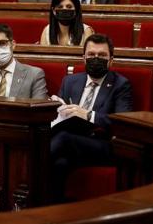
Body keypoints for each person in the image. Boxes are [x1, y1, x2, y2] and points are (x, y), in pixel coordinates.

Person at [49, 33, 133, 203]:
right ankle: (55, 214)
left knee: (63, 139)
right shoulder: (70, 81)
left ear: (111, 60)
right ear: (84, 58)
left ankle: (26, 170)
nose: (96, 59)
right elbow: (59, 114)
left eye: (102, 55)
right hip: (71, 145)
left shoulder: (121, 84)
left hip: (102, 145)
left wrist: (87, 114)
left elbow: (122, 124)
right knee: (60, 164)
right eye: (91, 55)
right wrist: (53, 107)